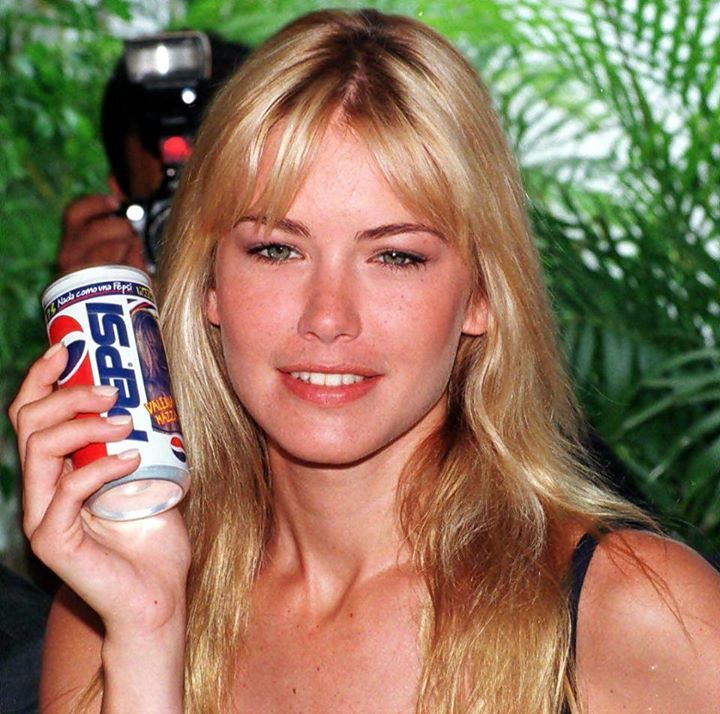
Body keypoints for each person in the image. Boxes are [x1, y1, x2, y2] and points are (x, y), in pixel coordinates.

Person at [9, 9, 720, 713]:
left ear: (481, 295)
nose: (328, 318)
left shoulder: (641, 615)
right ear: (207, 284)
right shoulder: (108, 614)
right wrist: (147, 632)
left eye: (395, 256)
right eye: (277, 249)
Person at [57, 32, 250, 274]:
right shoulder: (115, 296)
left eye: (232, 212)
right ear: (122, 206)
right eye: (170, 222)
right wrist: (89, 300)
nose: (197, 245)